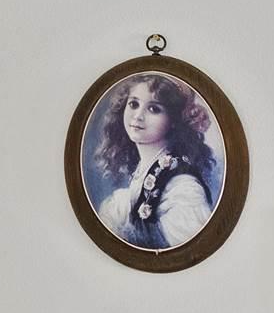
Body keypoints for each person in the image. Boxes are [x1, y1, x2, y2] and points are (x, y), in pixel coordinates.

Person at [87, 73, 220, 251]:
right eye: (133, 104)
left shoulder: (183, 188)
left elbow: (192, 250)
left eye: (154, 109)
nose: (138, 116)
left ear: (174, 120)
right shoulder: (144, 169)